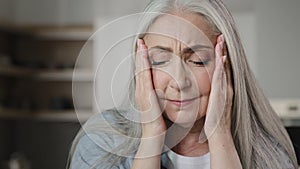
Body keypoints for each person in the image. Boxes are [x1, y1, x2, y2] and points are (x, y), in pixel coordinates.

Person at [67, 0, 298, 168]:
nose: (179, 81)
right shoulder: (101, 143)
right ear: (141, 65)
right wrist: (151, 137)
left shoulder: (269, 157)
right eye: (160, 60)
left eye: (197, 61)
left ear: (227, 66)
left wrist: (220, 135)